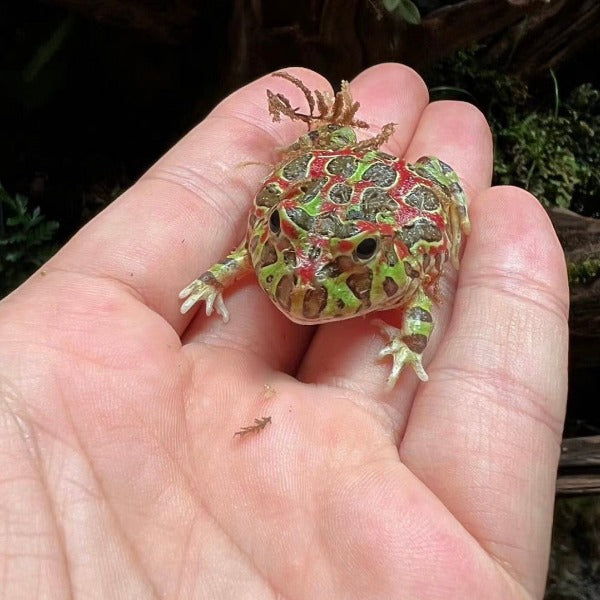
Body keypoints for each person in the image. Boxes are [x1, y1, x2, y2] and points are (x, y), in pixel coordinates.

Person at [0, 64, 568, 598]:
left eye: (345, 262)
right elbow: (253, 251)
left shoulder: (398, 262)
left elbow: (422, 291)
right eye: (283, 241)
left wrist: (410, 339)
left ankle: (354, 229)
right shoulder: (285, 243)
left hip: (376, 214)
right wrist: (217, 275)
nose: (304, 280)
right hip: (320, 209)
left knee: (434, 176)